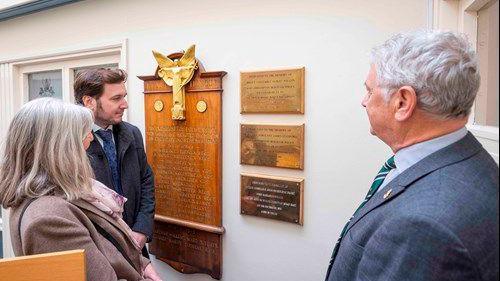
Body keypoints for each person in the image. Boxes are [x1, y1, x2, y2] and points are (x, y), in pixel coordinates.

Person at [325, 30, 499, 281]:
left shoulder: (423, 227)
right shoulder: (468, 158)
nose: (364, 101)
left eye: (369, 91)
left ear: (403, 102)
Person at [0, 98, 162, 281]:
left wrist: (142, 263)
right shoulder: (47, 220)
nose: (91, 137)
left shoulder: (62, 191)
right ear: (59, 149)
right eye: (84, 133)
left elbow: (104, 241)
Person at [73, 68, 155, 258]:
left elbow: (146, 181)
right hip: (96, 253)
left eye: (124, 97)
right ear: (89, 101)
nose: (124, 104)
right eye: (116, 98)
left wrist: (142, 229)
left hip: (135, 246)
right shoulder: (70, 142)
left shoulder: (132, 134)